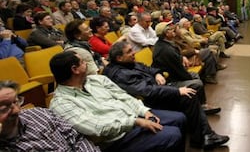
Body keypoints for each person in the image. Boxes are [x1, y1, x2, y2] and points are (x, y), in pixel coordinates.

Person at [49, 51, 186, 152]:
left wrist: (144, 111)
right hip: (115, 140)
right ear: (75, 69)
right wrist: (135, 121)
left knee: (179, 118)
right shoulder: (61, 103)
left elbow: (124, 96)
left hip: (132, 118)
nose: (87, 63)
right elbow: (96, 128)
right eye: (83, 62)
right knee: (172, 135)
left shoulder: (97, 80)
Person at [103, 41, 229, 149]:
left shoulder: (128, 63)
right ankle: (205, 136)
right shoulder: (120, 74)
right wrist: (176, 91)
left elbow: (148, 68)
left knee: (190, 95)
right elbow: (147, 91)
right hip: (147, 102)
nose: (133, 53)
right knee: (188, 96)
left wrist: (157, 74)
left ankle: (205, 136)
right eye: (129, 51)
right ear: (119, 58)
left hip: (157, 90)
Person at [0, 80, 100, 151]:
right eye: (4, 108)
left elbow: (78, 139)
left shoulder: (39, 113)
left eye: (16, 102)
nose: (17, 110)